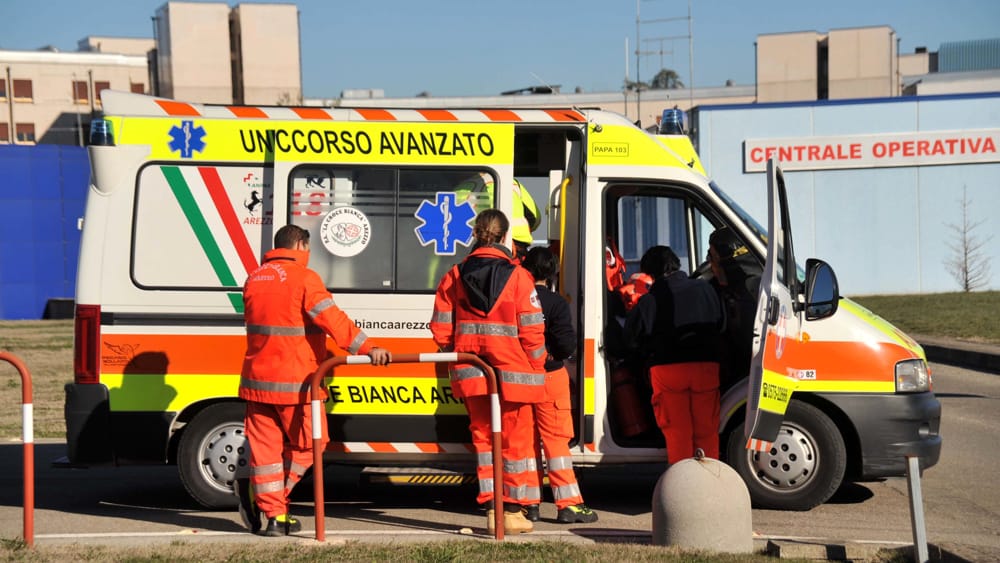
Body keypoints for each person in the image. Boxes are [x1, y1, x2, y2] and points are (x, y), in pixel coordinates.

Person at [236, 224, 391, 536]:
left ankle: (274, 517)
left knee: (265, 453)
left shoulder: (254, 278)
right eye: (308, 249)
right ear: (301, 245)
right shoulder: (304, 278)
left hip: (257, 381)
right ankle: (275, 499)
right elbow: (333, 320)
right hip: (297, 382)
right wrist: (369, 348)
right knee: (312, 445)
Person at [429, 209, 547, 534]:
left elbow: (440, 330)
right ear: (505, 237)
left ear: (476, 234)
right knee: (516, 444)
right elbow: (533, 331)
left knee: (484, 441)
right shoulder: (520, 277)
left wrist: (456, 355)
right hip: (515, 376)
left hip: (472, 374)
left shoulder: (454, 275)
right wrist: (538, 366)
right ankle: (511, 511)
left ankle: (493, 508)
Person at [520, 246, 599, 524]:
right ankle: (568, 504)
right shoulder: (555, 303)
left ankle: (527, 505)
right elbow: (566, 344)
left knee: (525, 443)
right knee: (556, 443)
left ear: (525, 269)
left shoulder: (514, 300)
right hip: (551, 377)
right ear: (552, 273)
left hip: (518, 378)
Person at [624, 245, 723, 465]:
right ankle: (710, 481)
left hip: (667, 370)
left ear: (649, 273)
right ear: (676, 264)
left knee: (678, 431)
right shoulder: (705, 289)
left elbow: (631, 339)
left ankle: (683, 484)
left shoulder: (648, 301)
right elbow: (720, 322)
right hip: (705, 367)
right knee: (707, 428)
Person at [707, 227, 763, 392]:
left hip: (745, 382)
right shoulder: (721, 290)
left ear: (728, 261)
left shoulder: (752, 292)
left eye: (712, 257)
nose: (710, 266)